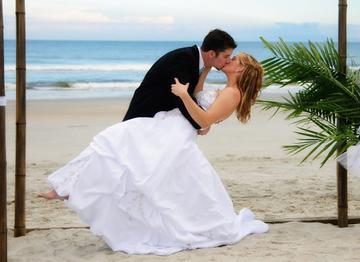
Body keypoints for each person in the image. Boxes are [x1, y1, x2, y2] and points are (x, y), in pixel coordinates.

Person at [38, 52, 268, 255]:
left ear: (242, 69)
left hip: (173, 132)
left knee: (121, 149)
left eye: (235, 59)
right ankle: (69, 187)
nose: (230, 59)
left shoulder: (232, 93)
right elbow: (202, 112)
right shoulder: (227, 90)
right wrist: (205, 70)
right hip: (169, 126)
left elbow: (205, 120)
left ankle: (70, 188)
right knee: (119, 148)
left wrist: (183, 94)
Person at [123, 28, 236, 135]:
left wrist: (208, 117)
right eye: (226, 56)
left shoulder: (197, 61)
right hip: (143, 117)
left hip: (159, 122)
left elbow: (191, 95)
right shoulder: (183, 59)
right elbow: (181, 98)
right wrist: (201, 124)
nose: (228, 60)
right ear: (211, 54)